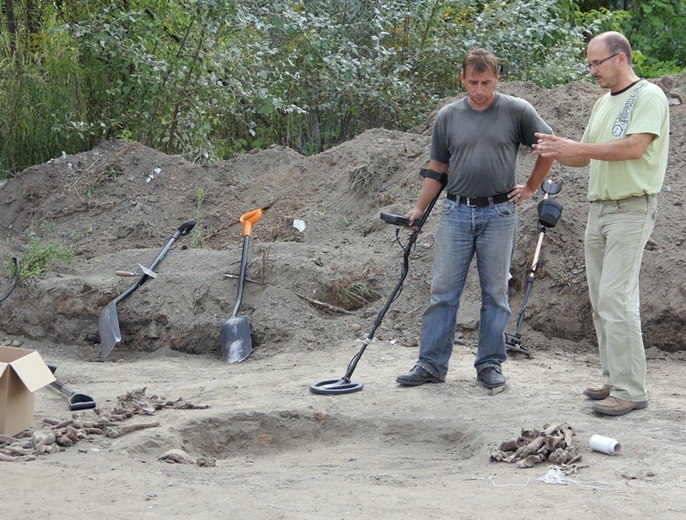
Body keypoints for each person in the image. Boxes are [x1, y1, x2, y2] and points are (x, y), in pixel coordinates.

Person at [396, 48, 554, 390]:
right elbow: (437, 168)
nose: (479, 90)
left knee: (495, 293)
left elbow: (548, 145)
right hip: (455, 212)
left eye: (486, 82)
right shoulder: (449, 116)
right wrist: (419, 209)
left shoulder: (517, 111)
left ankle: (490, 365)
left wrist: (530, 186)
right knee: (442, 292)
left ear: (497, 79)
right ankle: (431, 364)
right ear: (462, 79)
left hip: (498, 213)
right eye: (473, 82)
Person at [534, 32, 670, 416]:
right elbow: (584, 156)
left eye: (597, 63)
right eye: (590, 63)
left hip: (632, 207)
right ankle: (614, 377)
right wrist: (557, 149)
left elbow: (633, 147)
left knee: (616, 296)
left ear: (621, 58)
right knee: (600, 298)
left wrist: (577, 148)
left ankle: (631, 390)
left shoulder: (648, 96)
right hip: (600, 209)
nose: (592, 70)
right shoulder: (602, 104)